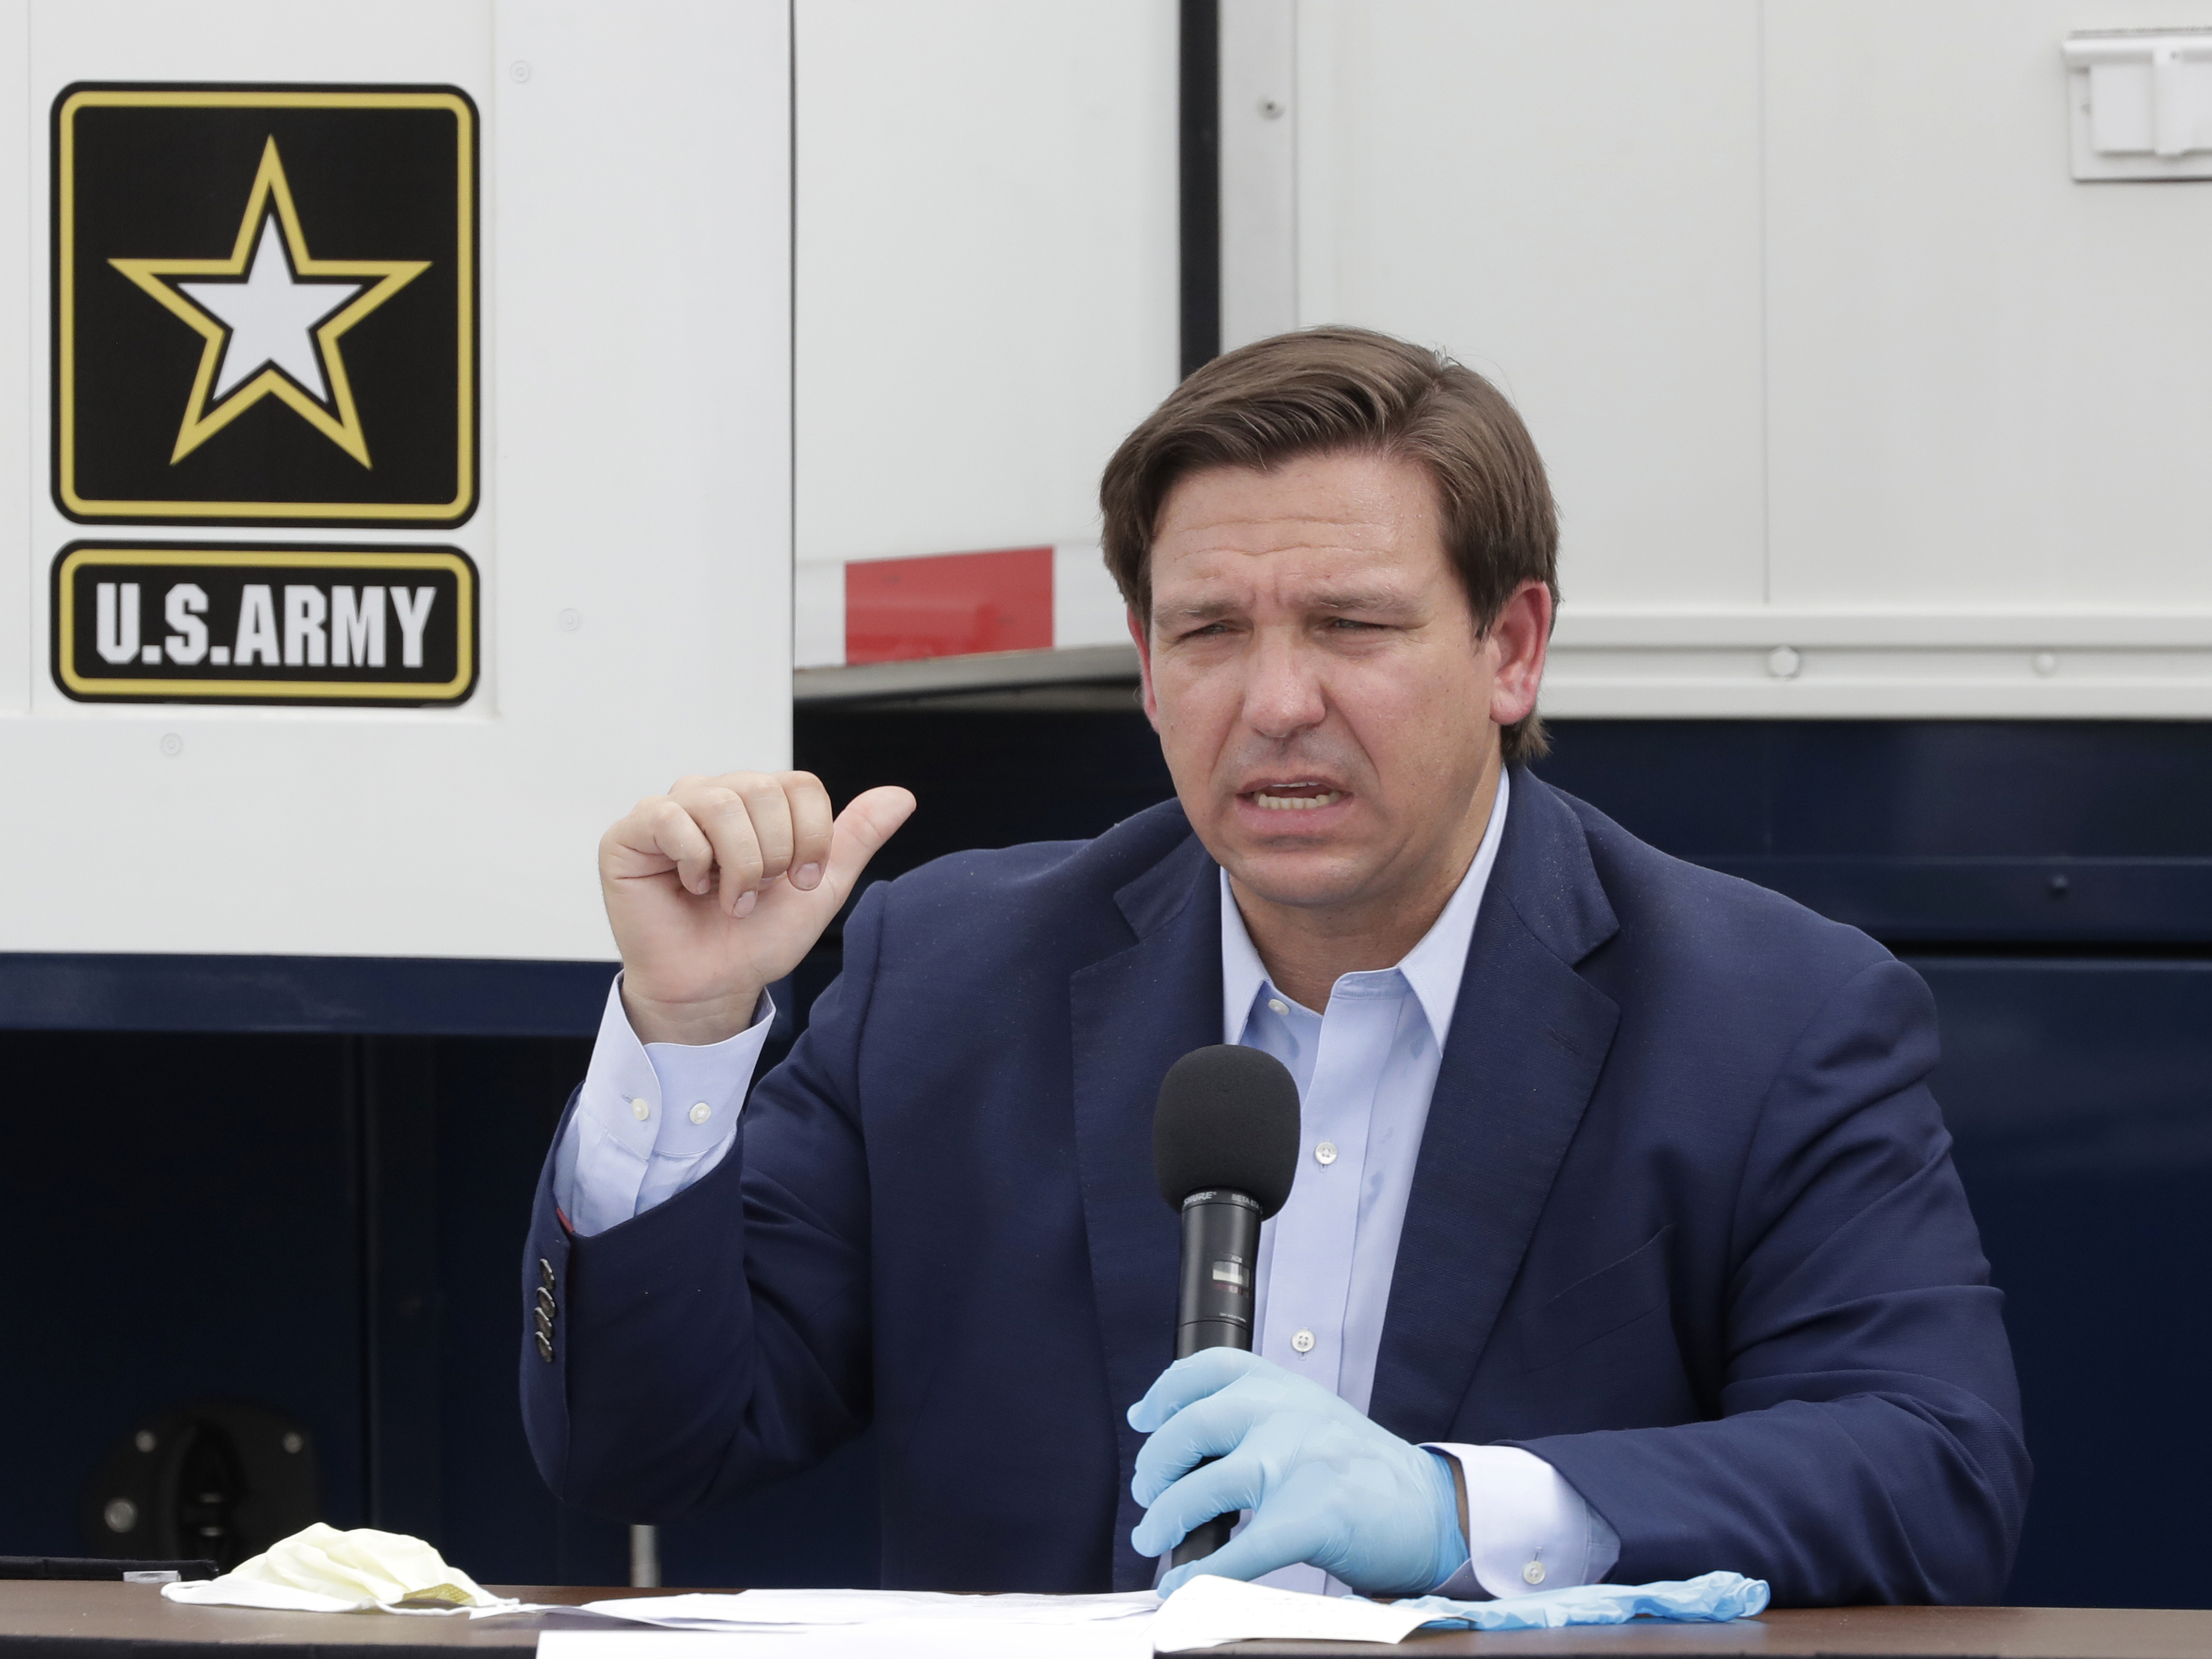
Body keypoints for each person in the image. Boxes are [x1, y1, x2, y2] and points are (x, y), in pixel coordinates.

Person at [521, 327, 2027, 1604]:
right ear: (1146, 654)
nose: (1277, 701)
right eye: (1211, 632)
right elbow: (645, 1451)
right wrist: (693, 1024)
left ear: (1513, 647)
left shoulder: (1764, 1009)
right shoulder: (954, 972)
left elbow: (1929, 1470)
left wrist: (1457, 1509)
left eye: (1351, 625)